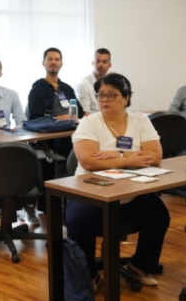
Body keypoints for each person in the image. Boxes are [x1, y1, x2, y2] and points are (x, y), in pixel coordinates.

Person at [66, 73, 170, 287]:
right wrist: (129, 159)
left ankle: (140, 265)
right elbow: (88, 161)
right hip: (91, 190)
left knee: (158, 216)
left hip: (129, 190)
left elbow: (155, 156)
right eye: (101, 95)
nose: (105, 99)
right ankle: (88, 275)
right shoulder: (89, 123)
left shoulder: (140, 121)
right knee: (78, 220)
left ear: (126, 98)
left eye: (111, 95)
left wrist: (117, 155)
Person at [27, 47, 85, 122]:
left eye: (57, 59)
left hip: (74, 127)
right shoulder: (37, 90)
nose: (53, 62)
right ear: (43, 63)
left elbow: (80, 114)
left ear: (61, 64)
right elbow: (35, 120)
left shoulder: (68, 89)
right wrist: (58, 118)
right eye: (50, 59)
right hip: (51, 129)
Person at [75, 48, 112, 115]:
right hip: (93, 120)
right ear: (93, 63)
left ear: (109, 65)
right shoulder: (84, 85)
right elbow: (84, 114)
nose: (101, 65)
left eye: (104, 62)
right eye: (98, 61)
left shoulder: (112, 84)